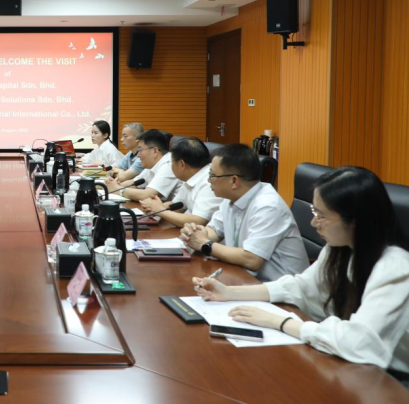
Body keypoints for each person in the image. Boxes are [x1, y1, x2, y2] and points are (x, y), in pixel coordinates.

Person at [193, 167, 409, 380]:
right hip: (352, 364)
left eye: (322, 216)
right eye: (315, 212)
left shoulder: (395, 269)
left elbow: (358, 343)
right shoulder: (340, 249)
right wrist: (228, 292)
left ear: (355, 220)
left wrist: (280, 322)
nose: (314, 223)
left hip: (391, 379)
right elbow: (300, 287)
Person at [180, 143, 308, 282]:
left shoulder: (268, 206)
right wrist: (195, 234)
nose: (208, 180)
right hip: (244, 279)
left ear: (234, 181)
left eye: (212, 175)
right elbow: (214, 231)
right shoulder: (231, 198)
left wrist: (205, 244)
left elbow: (251, 259)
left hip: (280, 289)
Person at [140, 137, 222, 227]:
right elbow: (179, 206)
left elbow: (198, 221)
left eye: (171, 162)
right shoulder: (192, 177)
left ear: (181, 164)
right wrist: (154, 206)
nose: (170, 165)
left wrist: (160, 211)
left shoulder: (209, 182)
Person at [118, 129, 182, 202]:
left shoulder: (169, 164)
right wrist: (117, 186)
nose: (138, 155)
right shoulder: (151, 164)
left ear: (155, 151)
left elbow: (147, 195)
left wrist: (119, 190)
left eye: (140, 150)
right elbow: (134, 183)